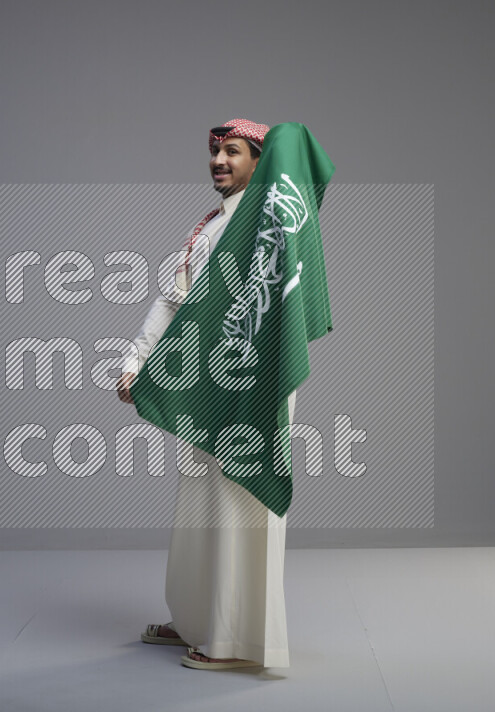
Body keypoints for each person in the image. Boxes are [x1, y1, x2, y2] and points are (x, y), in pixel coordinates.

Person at [117, 119, 294, 671]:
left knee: (239, 505)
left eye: (233, 152)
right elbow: (173, 299)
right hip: (205, 383)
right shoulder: (210, 225)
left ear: (259, 161)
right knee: (199, 504)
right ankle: (195, 617)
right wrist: (135, 360)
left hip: (252, 383)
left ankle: (232, 638)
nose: (218, 160)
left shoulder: (272, 221)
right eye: (215, 151)